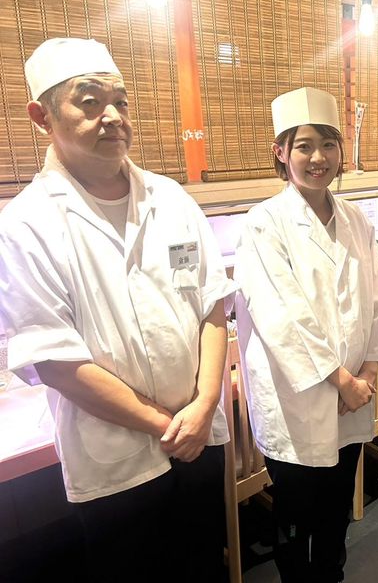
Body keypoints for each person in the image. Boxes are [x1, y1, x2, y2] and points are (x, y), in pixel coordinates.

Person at [0, 38, 237, 582]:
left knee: (206, 567)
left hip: (200, 439)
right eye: (89, 102)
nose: (112, 116)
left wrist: (204, 405)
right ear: (42, 117)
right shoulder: (27, 224)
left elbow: (212, 306)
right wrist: (169, 426)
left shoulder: (170, 199)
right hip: (117, 465)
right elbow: (57, 363)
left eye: (120, 102)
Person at [234, 87, 378, 583]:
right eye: (303, 145)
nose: (318, 157)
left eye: (327, 144)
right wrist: (342, 380)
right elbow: (282, 316)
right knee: (296, 518)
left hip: (352, 396)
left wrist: (367, 373)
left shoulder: (356, 219)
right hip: (297, 403)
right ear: (281, 152)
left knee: (335, 514)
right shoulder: (264, 224)